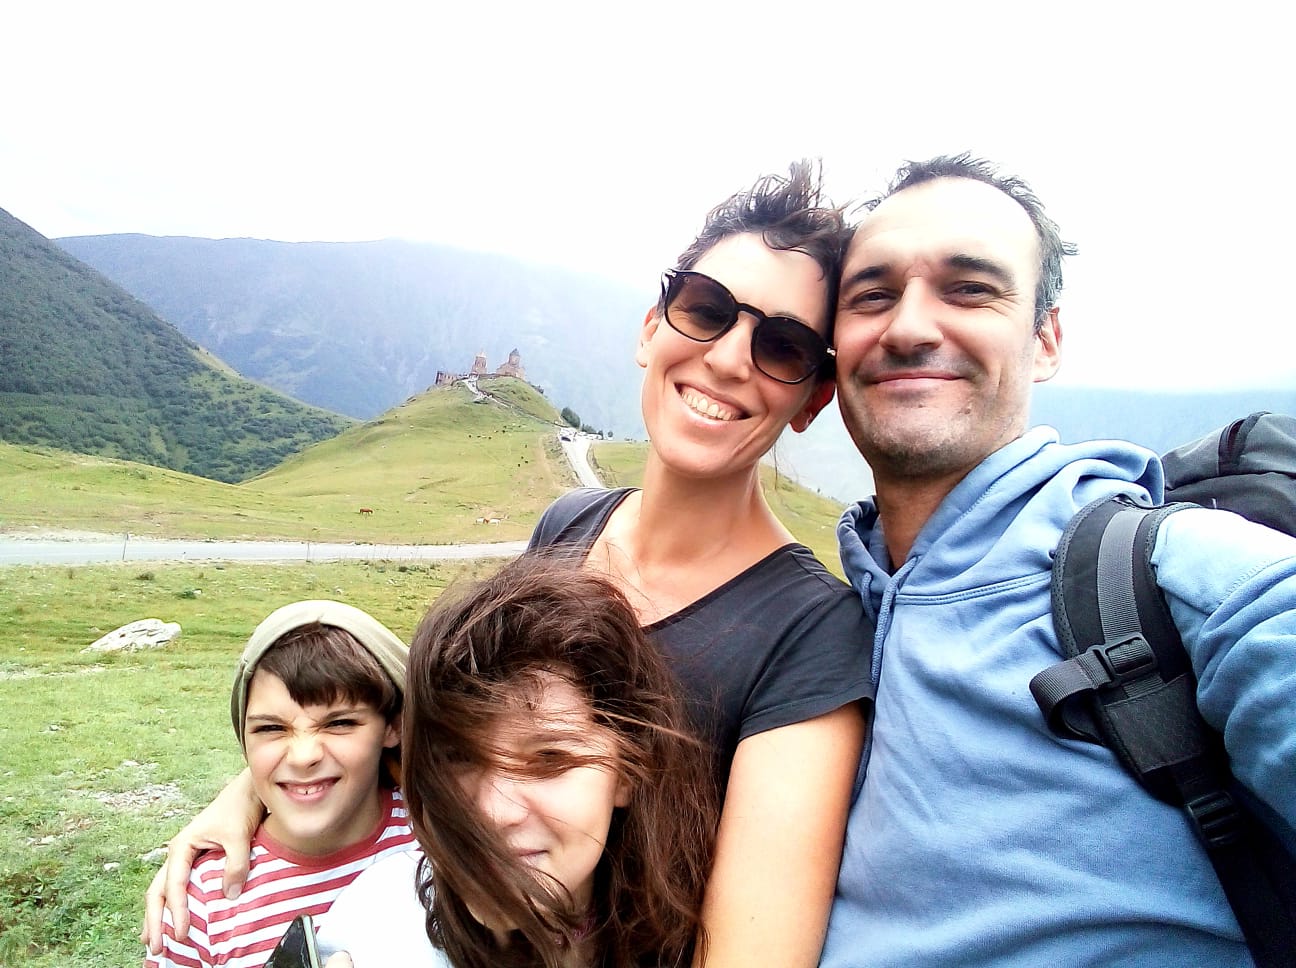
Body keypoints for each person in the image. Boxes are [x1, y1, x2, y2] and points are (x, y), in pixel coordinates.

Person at [143, 163, 874, 968]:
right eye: (705, 309)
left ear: (812, 399)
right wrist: (249, 790)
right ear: (650, 327)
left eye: (784, 346)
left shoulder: (811, 635)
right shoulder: (571, 525)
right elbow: (469, 735)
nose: (731, 358)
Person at [819, 152, 1296, 966]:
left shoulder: (1188, 578)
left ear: (1045, 339)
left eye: (969, 288)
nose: (907, 327)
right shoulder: (834, 620)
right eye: (872, 295)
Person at [315, 553, 717, 967]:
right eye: (458, 758)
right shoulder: (374, 933)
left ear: (626, 775)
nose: (493, 813)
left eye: (549, 761)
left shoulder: (714, 938)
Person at [146, 600, 416, 967]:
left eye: (339, 723)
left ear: (394, 727)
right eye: (272, 728)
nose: (304, 756)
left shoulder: (438, 835)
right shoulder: (200, 901)